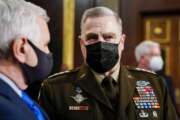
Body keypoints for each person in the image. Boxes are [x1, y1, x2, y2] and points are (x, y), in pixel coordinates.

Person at [39, 6, 179, 120]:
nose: (101, 43)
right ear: (82, 44)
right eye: (92, 38)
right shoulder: (55, 89)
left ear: (122, 42)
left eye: (108, 37)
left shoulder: (155, 84)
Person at [0, 0, 53, 119]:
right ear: (20, 49)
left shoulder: (15, 92)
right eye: (45, 45)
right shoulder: (7, 112)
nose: (48, 52)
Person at [135, 40, 179, 115]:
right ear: (142, 58)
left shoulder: (165, 80)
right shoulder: (128, 79)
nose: (158, 58)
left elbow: (172, 109)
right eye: (154, 55)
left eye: (159, 55)